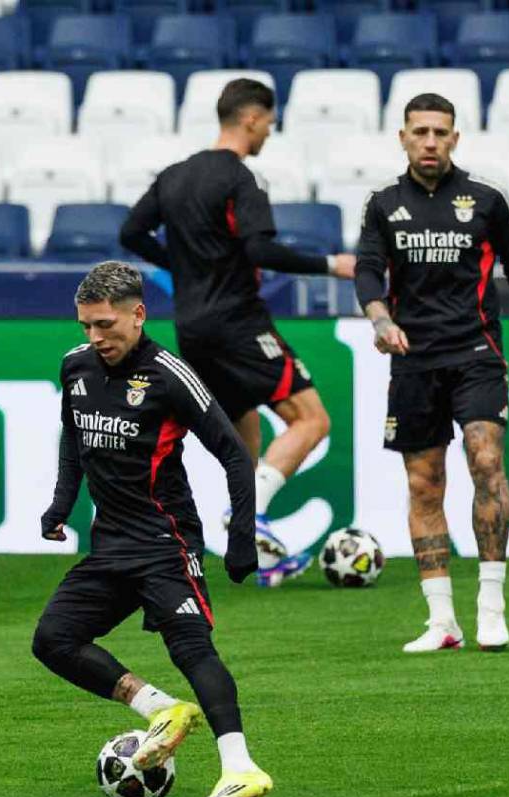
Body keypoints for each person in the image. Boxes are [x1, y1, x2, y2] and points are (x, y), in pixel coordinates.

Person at [33, 260, 272, 797]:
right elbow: (74, 439)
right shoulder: (75, 368)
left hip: (167, 544)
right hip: (110, 546)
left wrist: (241, 538)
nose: (95, 338)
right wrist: (61, 503)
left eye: (106, 325)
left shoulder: (169, 375)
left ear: (138, 315)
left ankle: (241, 768)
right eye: (86, 326)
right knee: (53, 640)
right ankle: (161, 709)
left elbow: (235, 455)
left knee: (192, 649)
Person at [120, 78, 357, 587]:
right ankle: (246, 522)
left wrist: (182, 270)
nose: (270, 130)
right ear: (251, 118)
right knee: (311, 421)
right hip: (238, 321)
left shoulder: (173, 177)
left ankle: (259, 556)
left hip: (192, 327)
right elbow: (261, 252)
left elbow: (130, 233)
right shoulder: (241, 180)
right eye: (269, 121)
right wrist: (333, 264)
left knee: (243, 438)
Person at [355, 93, 509, 653]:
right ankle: (442, 622)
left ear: (455, 139)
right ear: (402, 137)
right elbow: (368, 271)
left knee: (486, 460)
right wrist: (379, 319)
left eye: (440, 132)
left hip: (477, 353)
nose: (429, 142)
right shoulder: (382, 203)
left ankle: (492, 607)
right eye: (420, 132)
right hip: (412, 360)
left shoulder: (487, 200)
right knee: (425, 484)